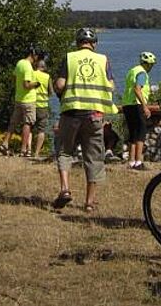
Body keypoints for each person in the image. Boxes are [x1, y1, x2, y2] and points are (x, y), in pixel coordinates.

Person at [52, 27, 115, 212]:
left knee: (65, 152)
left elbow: (61, 84)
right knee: (93, 157)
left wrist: (57, 89)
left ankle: (64, 189)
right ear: (94, 44)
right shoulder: (103, 60)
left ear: (77, 43)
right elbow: (111, 86)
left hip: (71, 113)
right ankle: (89, 202)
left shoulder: (69, 58)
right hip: (94, 115)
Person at [0, 48, 41, 157]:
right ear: (34, 55)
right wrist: (36, 84)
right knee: (27, 123)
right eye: (38, 57)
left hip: (18, 98)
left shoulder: (20, 63)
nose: (38, 60)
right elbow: (26, 85)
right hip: (28, 100)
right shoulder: (28, 67)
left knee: (13, 123)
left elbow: (14, 77)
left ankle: (5, 143)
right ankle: (23, 149)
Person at [122, 51, 157, 170]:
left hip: (127, 104)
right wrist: (145, 106)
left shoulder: (132, 71)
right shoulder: (142, 73)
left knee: (133, 133)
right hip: (137, 105)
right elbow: (137, 89)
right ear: (147, 64)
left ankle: (131, 161)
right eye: (151, 65)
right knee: (141, 133)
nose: (151, 67)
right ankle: (138, 161)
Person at [32, 58, 52, 158]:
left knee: (29, 127)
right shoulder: (47, 77)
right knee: (41, 130)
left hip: (32, 103)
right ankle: (36, 153)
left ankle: (27, 150)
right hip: (43, 106)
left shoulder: (32, 74)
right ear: (44, 67)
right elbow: (51, 92)